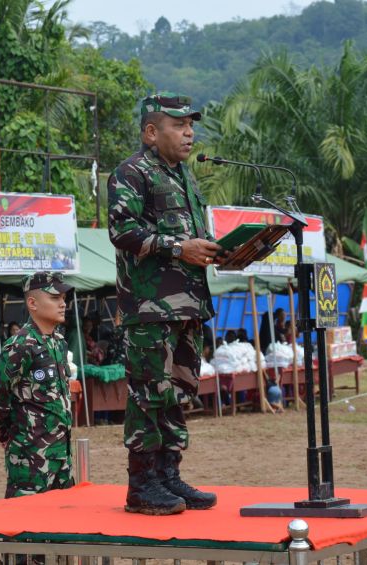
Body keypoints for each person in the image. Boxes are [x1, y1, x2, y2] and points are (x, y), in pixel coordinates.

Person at [108, 91, 224, 515]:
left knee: (179, 392)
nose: (189, 132)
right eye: (179, 125)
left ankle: (169, 477)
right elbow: (123, 232)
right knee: (149, 394)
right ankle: (141, 485)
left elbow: (193, 242)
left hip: (188, 306)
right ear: (152, 132)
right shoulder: (131, 173)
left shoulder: (185, 178)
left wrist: (223, 251)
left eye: (191, 125)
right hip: (150, 308)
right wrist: (180, 248)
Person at [0, 272, 75, 499]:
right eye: (55, 298)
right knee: (25, 526)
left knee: (63, 525)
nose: (63, 304)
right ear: (32, 303)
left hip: (61, 457)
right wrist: (11, 440)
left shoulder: (59, 343)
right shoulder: (20, 346)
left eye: (64, 298)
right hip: (30, 459)